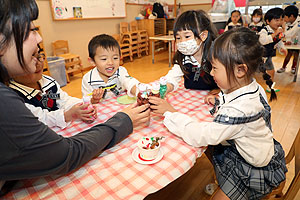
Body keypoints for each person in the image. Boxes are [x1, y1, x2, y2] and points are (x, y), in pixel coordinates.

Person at [0, 0, 150, 196]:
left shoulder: (48, 83)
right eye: (30, 30)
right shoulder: (9, 99)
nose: (38, 38)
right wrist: (123, 120)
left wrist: (80, 106)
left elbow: (61, 99)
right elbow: (65, 154)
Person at [149, 28, 287, 199]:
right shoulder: (251, 86)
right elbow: (235, 109)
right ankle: (223, 181)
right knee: (211, 147)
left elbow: (202, 135)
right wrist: (219, 100)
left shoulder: (239, 110)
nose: (211, 73)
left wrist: (170, 113)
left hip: (254, 167)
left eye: (215, 68)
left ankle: (227, 188)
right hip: (254, 147)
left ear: (240, 70)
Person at [9, 50, 96, 128]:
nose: (39, 64)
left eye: (38, 56)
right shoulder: (13, 97)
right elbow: (40, 119)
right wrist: (67, 115)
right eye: (29, 60)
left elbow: (63, 100)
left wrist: (82, 107)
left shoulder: (48, 82)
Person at [162, 10, 219, 96]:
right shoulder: (182, 58)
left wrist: (221, 90)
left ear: (203, 36)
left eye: (187, 36)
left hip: (212, 96)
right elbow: (173, 77)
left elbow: (229, 79)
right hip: (191, 95)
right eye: (178, 38)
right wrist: (165, 89)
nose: (182, 41)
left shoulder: (216, 55)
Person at [82, 34, 140, 104]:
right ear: (92, 61)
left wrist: (139, 91)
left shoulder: (120, 71)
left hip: (121, 107)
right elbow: (86, 101)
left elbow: (129, 82)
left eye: (115, 58)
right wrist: (94, 100)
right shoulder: (88, 79)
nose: (110, 62)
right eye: (104, 59)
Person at [258, 7, 287, 93]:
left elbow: (278, 42)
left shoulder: (279, 32)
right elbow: (262, 41)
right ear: (268, 21)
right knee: (253, 71)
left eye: (281, 20)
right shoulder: (264, 30)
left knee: (271, 71)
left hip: (268, 55)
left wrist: (282, 48)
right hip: (259, 55)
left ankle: (269, 87)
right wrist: (275, 34)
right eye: (276, 20)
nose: (279, 22)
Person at [277, 5, 300, 74]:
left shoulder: (299, 23)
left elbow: (292, 32)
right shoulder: (289, 22)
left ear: (291, 16)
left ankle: (293, 67)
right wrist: (288, 40)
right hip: (292, 41)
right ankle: (283, 67)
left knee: (296, 54)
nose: (284, 19)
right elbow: (288, 32)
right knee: (289, 53)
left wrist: (281, 35)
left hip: (298, 42)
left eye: (285, 17)